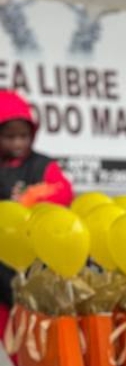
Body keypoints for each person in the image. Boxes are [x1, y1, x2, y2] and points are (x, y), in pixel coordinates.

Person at [0, 90, 74, 309]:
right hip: (2, 257)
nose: (18, 143)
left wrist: (32, 198)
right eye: (10, 137)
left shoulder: (43, 165)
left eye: (24, 136)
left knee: (30, 313)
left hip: (34, 258)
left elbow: (64, 192)